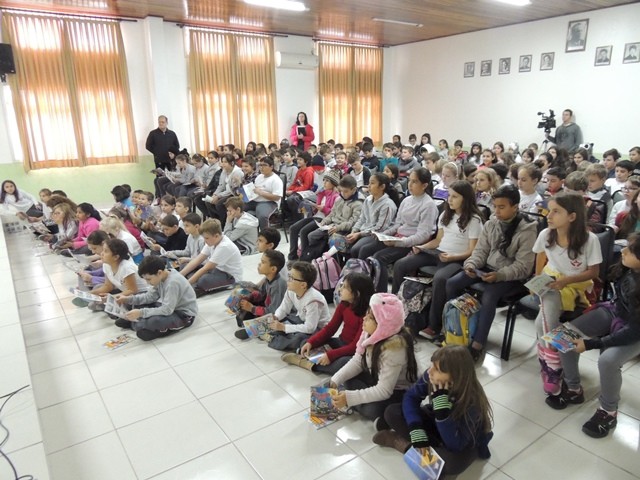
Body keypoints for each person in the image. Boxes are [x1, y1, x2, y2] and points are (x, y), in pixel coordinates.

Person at [546, 233, 640, 439]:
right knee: (562, 336)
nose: (623, 251)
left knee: (608, 361)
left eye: (631, 250)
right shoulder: (628, 268)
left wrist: (590, 344)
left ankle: (608, 411)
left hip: (635, 330)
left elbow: (633, 331)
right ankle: (573, 389)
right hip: (617, 312)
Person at [428, 185, 536, 360]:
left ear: (515, 207)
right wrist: (471, 265)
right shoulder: (491, 223)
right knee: (452, 283)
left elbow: (523, 266)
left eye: (502, 207)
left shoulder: (527, 230)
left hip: (511, 276)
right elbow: (480, 251)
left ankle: (477, 344)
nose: (496, 211)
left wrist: (499, 276)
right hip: (486, 268)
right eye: (495, 206)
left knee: (489, 295)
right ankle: (452, 329)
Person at [373, 345, 493, 476]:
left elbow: (455, 444)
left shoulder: (472, 401)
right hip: (437, 425)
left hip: (461, 439)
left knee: (453, 464)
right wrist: (416, 428)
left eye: (437, 369)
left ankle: (402, 444)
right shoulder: (431, 376)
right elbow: (411, 397)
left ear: (455, 376)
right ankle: (430, 458)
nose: (430, 371)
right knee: (392, 412)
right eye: (432, 365)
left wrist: (442, 414)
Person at [534, 192, 603, 398]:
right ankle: (553, 366)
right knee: (547, 316)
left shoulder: (589, 239)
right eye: (549, 210)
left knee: (542, 323)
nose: (549, 215)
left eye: (556, 211)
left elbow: (594, 272)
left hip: (577, 285)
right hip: (551, 279)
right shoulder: (546, 234)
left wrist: (566, 281)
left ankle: (550, 364)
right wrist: (537, 280)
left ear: (572, 216)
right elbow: (540, 256)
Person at [393, 180, 483, 329]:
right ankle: (394, 308)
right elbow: (437, 240)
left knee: (440, 278)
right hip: (438, 252)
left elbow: (472, 251)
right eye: (449, 196)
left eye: (455, 196)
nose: (450, 200)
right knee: (401, 264)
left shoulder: (474, 220)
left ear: (465, 199)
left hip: (458, 258)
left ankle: (434, 326)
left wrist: (453, 257)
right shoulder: (446, 215)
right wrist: (421, 247)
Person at [329, 293, 418, 420]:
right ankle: (356, 400)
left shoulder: (394, 349)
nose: (364, 318)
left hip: (397, 390)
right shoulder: (369, 333)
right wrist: (335, 379)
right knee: (346, 375)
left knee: (373, 410)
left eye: (370, 318)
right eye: (367, 314)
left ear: (383, 324)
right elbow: (358, 361)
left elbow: (384, 391)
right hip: (376, 375)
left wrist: (349, 398)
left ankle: (364, 406)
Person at [353, 169, 438, 290]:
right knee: (366, 249)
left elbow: (423, 235)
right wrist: (383, 235)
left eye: (414, 182)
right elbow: (398, 224)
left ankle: (382, 292)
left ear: (424, 185)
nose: (410, 184)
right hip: (398, 238)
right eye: (410, 181)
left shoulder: (428, 205)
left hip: (412, 243)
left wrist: (398, 242)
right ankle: (363, 287)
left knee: (379, 257)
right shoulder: (407, 200)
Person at [281, 273, 375, 374]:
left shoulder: (367, 315)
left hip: (355, 351)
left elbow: (354, 347)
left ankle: (309, 363)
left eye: (344, 287)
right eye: (341, 285)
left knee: (344, 363)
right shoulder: (344, 305)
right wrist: (311, 342)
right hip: (340, 342)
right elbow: (330, 329)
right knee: (306, 341)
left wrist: (331, 355)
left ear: (357, 293)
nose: (340, 289)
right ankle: (310, 358)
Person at [115, 255, 197, 341]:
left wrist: (141, 313)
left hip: (183, 315)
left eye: (149, 279)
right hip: (169, 307)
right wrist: (128, 299)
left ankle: (141, 324)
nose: (147, 283)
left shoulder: (172, 283)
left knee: (154, 321)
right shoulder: (161, 277)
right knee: (136, 304)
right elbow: (149, 297)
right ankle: (136, 322)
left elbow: (167, 310)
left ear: (159, 272)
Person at [266, 261, 331, 351]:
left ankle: (281, 340)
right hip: (302, 320)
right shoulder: (291, 290)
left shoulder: (313, 300)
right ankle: (281, 338)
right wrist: (276, 317)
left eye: (292, 278)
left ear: (303, 285)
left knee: (299, 338)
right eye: (289, 276)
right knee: (283, 320)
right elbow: (284, 308)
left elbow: (310, 328)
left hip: (318, 328)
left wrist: (284, 327)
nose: (288, 280)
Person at [302, 175, 363, 261]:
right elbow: (332, 214)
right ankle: (318, 260)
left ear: (354, 190)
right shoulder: (339, 199)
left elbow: (352, 222)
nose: (343, 194)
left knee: (334, 242)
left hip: (344, 230)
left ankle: (334, 263)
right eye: (341, 191)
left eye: (346, 191)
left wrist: (338, 228)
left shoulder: (358, 204)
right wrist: (324, 222)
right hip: (331, 226)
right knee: (312, 236)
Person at [180, 218, 243, 297]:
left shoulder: (224, 246)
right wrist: (179, 275)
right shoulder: (211, 241)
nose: (204, 241)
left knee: (204, 280)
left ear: (216, 236)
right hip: (215, 270)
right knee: (185, 265)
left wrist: (186, 284)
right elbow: (198, 260)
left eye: (206, 238)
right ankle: (194, 283)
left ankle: (195, 285)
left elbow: (206, 268)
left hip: (229, 276)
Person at [287, 169, 341, 261]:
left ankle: (304, 259)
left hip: (324, 220)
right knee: (293, 228)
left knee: (304, 232)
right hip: (316, 217)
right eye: (324, 180)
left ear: (333, 184)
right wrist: (313, 207)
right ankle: (292, 256)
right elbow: (317, 209)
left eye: (327, 181)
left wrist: (322, 208)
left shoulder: (336, 196)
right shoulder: (322, 193)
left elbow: (333, 214)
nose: (324, 183)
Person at [346, 173, 400, 259]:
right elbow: (362, 218)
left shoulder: (387, 205)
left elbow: (380, 228)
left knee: (357, 249)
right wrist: (354, 231)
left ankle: (360, 267)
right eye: (369, 183)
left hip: (377, 235)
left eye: (372, 183)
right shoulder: (368, 199)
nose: (369, 186)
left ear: (382, 187)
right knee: (343, 244)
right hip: (364, 231)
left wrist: (359, 234)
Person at [88, 238, 148, 311]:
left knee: (119, 306)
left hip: (141, 293)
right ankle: (106, 305)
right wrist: (91, 293)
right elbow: (108, 286)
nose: (102, 253)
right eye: (103, 250)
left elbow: (132, 290)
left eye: (106, 251)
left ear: (116, 257)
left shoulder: (126, 267)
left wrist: (112, 297)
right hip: (125, 291)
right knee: (97, 290)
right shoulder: (106, 264)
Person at [244, 156, 283, 231]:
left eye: (264, 165)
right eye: (260, 165)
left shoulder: (276, 180)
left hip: (269, 202)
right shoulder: (259, 177)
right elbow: (255, 190)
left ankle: (265, 234)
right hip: (255, 200)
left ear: (271, 167)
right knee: (237, 207)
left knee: (262, 215)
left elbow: (277, 197)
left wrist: (261, 193)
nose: (261, 167)